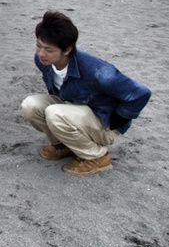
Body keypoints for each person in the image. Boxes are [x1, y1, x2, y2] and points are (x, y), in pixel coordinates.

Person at [21, 11, 151, 176]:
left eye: (49, 49)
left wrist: (119, 119)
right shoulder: (43, 61)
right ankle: (65, 145)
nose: (41, 53)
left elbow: (141, 93)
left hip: (104, 122)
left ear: (67, 49)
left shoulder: (98, 72)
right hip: (75, 111)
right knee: (30, 105)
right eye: (38, 45)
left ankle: (97, 157)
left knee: (54, 113)